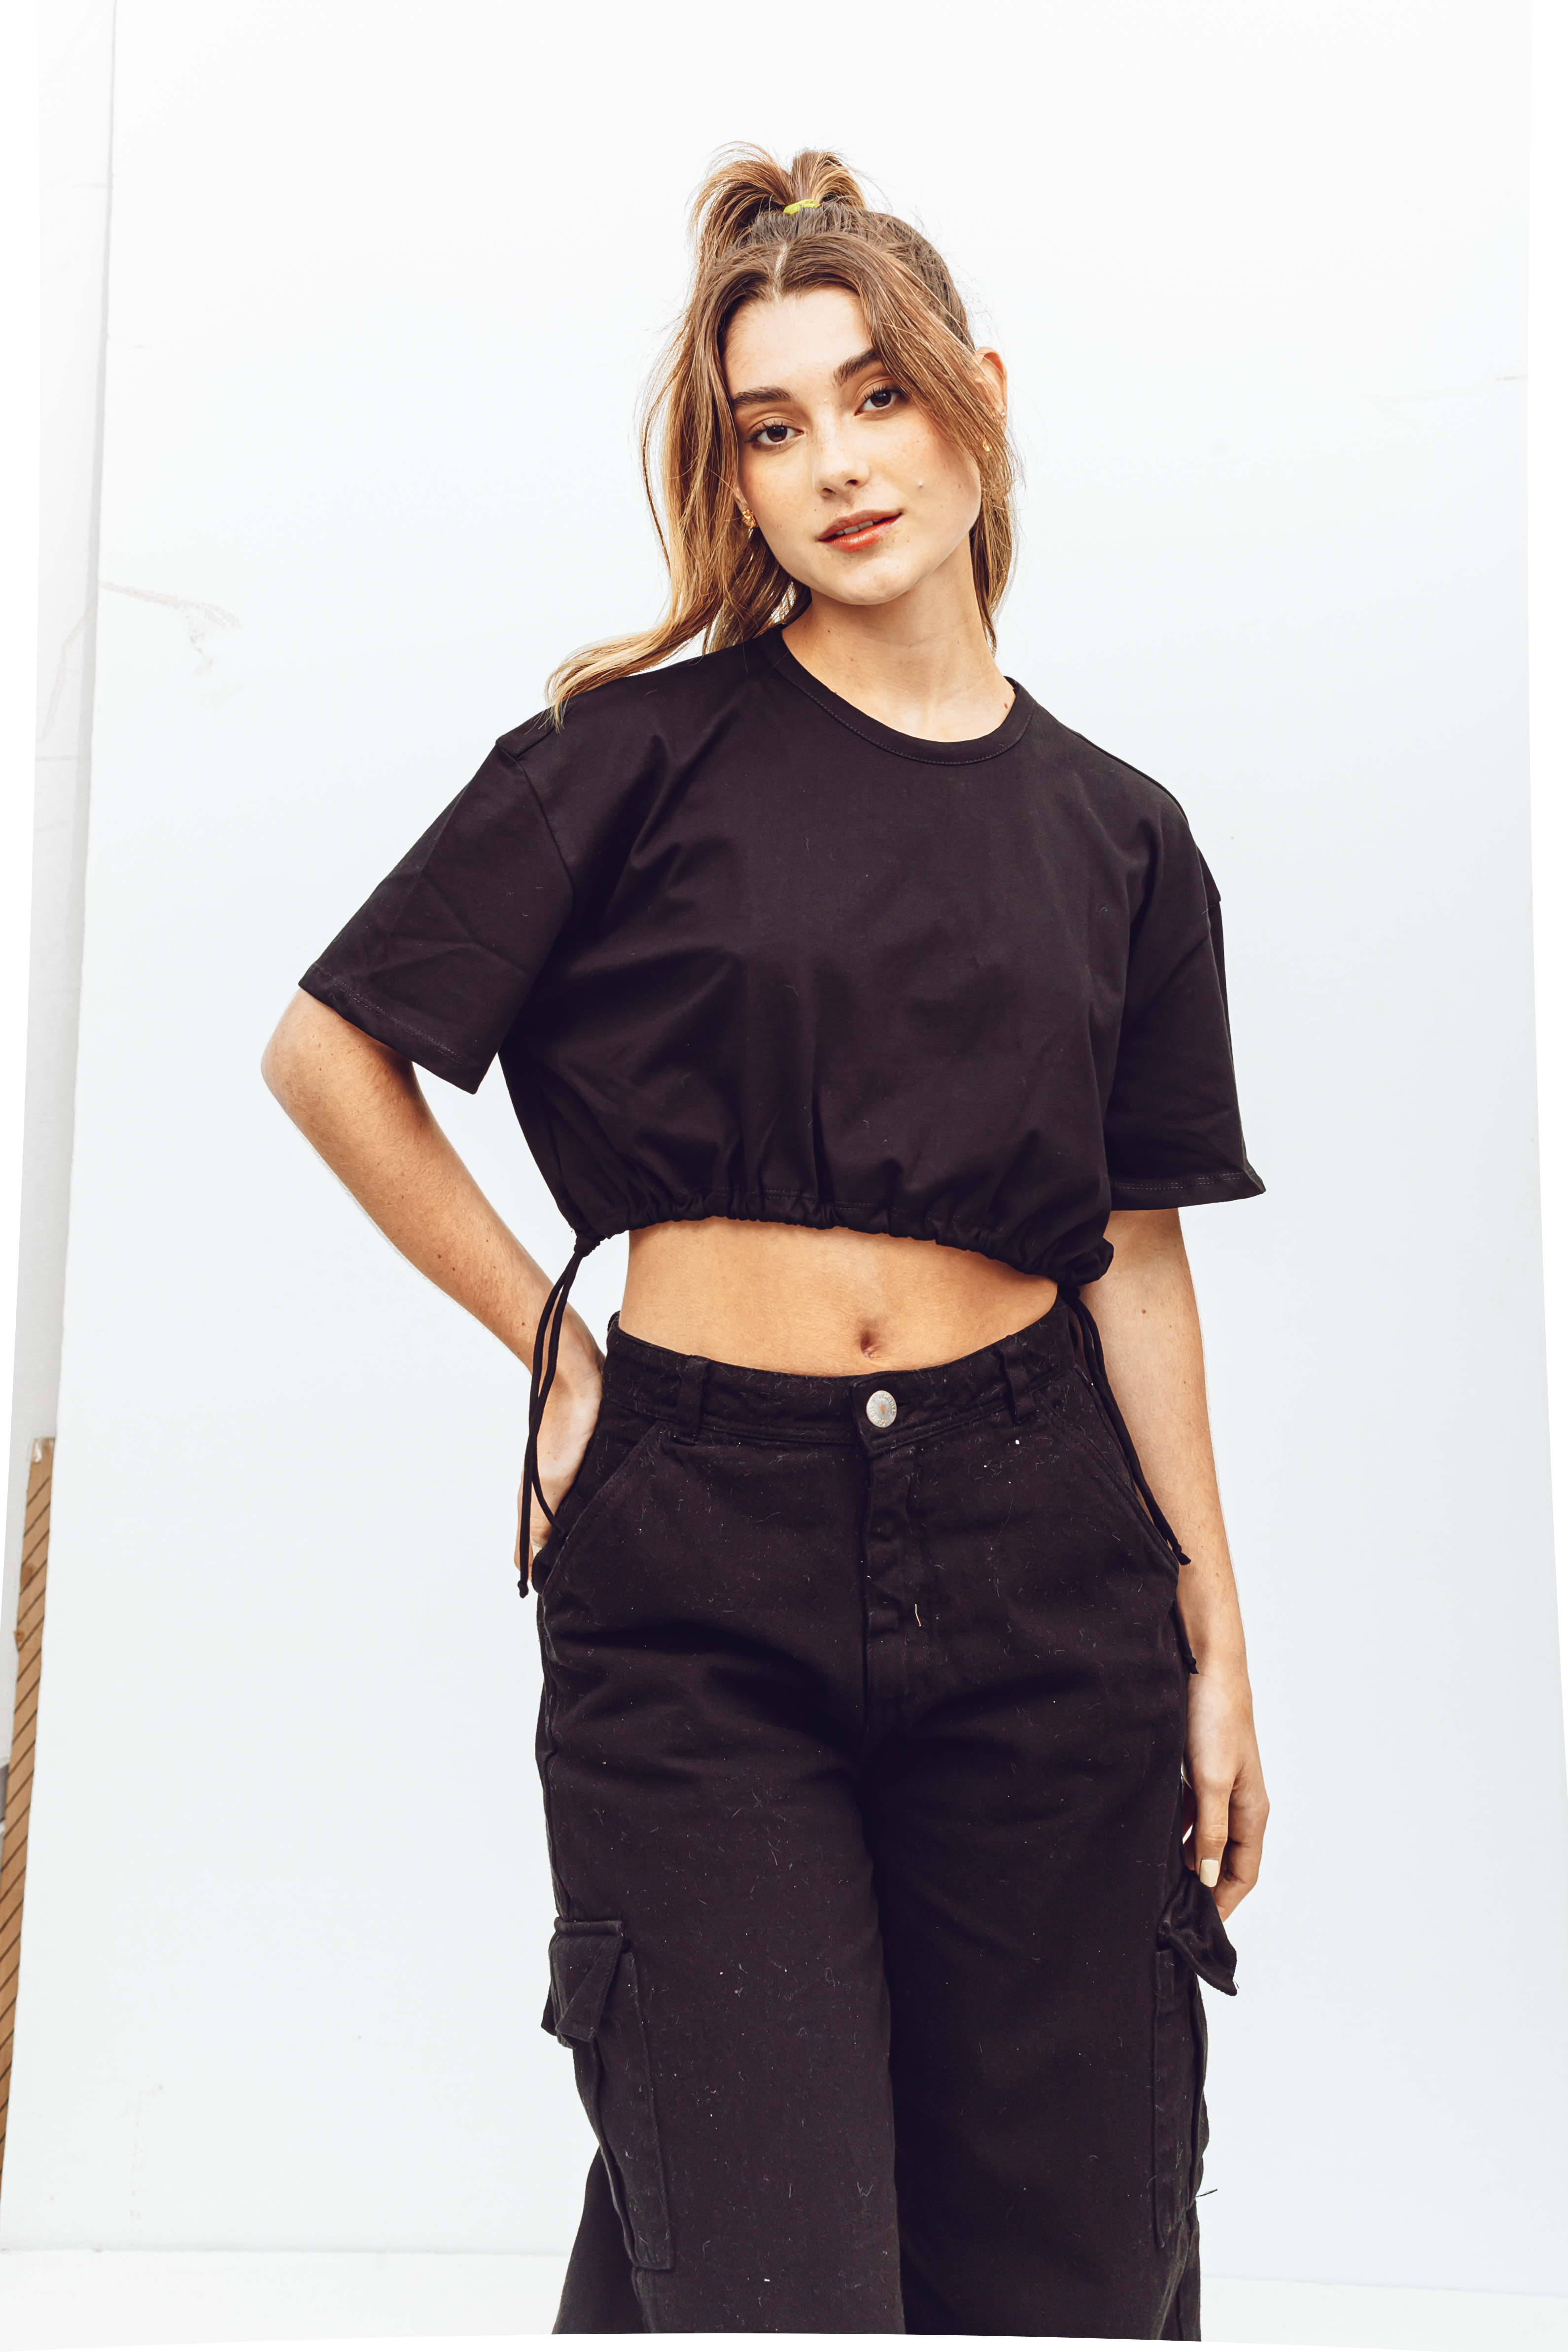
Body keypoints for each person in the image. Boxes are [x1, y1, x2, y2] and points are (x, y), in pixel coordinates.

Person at [263, 145, 1269, 2340]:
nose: (837, 465)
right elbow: (332, 1051)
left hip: (1045, 1558)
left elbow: (1133, 1246)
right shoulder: (634, 757)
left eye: (877, 395)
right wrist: (561, 1357)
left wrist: (1216, 1627)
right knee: (764, 2262)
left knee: (1072, 2266)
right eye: (774, 426)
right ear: (734, 477)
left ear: (979, 392)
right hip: (699, 1557)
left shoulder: (1124, 836)